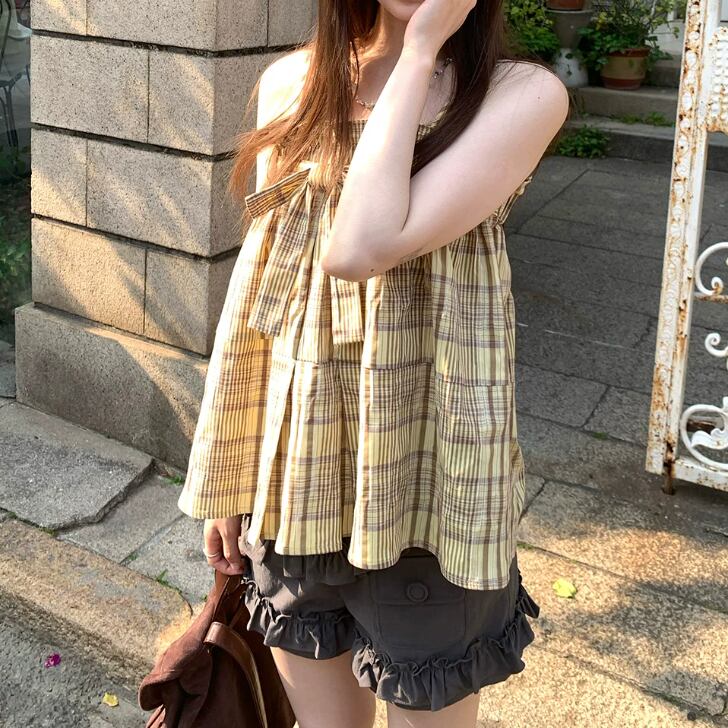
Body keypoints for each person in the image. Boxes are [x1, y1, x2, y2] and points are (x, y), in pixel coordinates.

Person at [177, 1, 569, 726]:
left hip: (429, 481)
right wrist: (229, 479)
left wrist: (419, 49)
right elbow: (260, 295)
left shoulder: (520, 93)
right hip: (301, 473)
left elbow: (361, 246)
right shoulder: (293, 81)